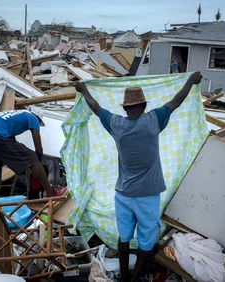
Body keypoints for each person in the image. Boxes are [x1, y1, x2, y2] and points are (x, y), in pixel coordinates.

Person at [76, 71, 202, 281]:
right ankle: (135, 279)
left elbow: (96, 108)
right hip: (148, 196)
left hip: (123, 195)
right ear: (144, 106)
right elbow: (176, 101)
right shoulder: (153, 120)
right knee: (146, 241)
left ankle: (124, 276)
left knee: (123, 238)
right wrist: (190, 80)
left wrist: (84, 89)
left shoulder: (117, 125)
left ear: (125, 109)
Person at [0, 108, 58, 233]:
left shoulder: (13, 114)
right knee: (33, 158)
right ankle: (51, 193)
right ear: (39, 118)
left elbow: (11, 144)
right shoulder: (32, 117)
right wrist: (37, 163)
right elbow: (38, 147)